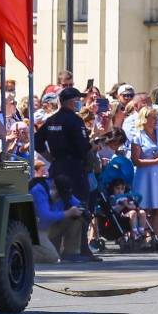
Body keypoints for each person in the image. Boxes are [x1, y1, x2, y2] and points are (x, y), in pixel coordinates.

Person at [34, 86, 99, 260]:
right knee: (80, 205)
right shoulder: (74, 121)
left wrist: (51, 157)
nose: (79, 103)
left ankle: (56, 246)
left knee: (59, 203)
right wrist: (94, 146)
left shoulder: (51, 120)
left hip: (58, 167)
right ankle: (80, 249)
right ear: (71, 102)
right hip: (74, 169)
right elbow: (83, 147)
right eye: (77, 100)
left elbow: (37, 141)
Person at [130, 106, 158, 244]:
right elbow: (135, 160)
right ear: (145, 119)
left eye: (156, 117)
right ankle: (144, 236)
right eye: (153, 117)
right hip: (145, 175)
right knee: (144, 207)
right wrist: (153, 161)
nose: (156, 120)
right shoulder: (137, 136)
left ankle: (156, 237)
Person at [30, 172, 87, 263]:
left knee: (77, 219)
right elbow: (45, 216)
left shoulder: (62, 190)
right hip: (37, 231)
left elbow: (78, 204)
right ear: (54, 185)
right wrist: (68, 212)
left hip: (50, 228)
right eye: (60, 194)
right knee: (52, 257)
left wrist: (84, 210)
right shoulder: (39, 190)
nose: (61, 197)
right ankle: (29, 254)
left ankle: (71, 254)